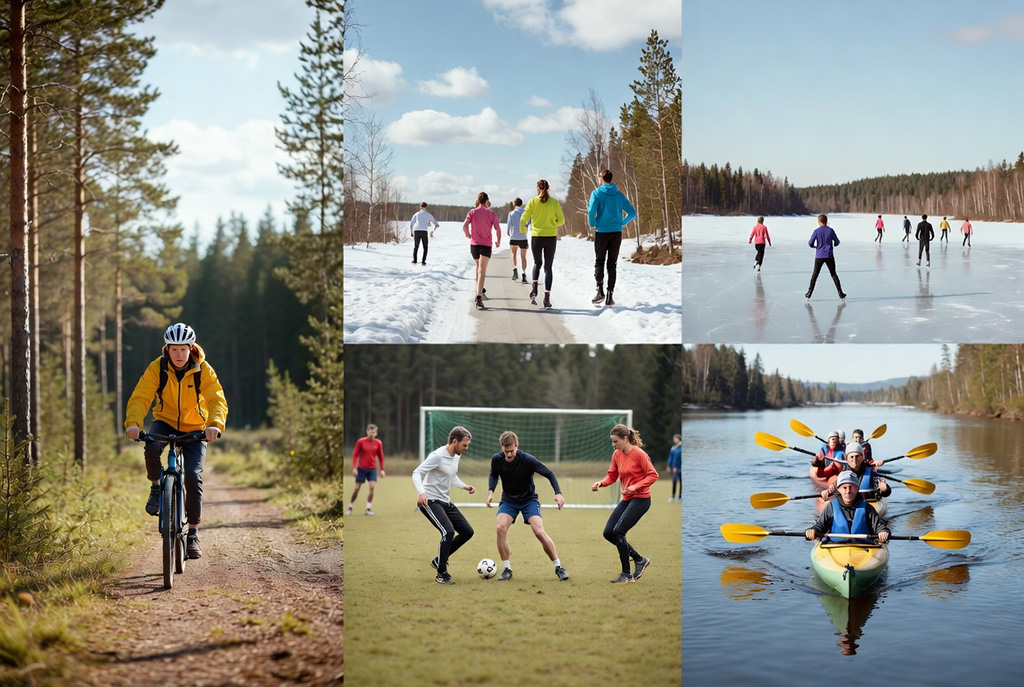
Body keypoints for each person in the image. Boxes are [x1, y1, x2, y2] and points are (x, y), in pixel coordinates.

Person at [125, 322, 227, 560]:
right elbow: (141, 396)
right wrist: (133, 423)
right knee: (151, 447)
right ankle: (156, 487)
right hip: (165, 421)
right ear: (167, 349)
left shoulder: (203, 369)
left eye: (183, 349)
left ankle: (193, 533)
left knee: (192, 476)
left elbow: (216, 399)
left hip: (196, 428)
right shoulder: (157, 368)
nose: (179, 354)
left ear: (191, 348)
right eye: (174, 349)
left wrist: (214, 425)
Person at [485, 431, 569, 581]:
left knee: (538, 531)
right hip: (508, 500)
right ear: (501, 448)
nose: (509, 455)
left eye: (511, 451)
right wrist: (491, 492)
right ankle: (507, 569)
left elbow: (549, 474)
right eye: (506, 451)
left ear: (517, 446)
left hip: (529, 500)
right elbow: (493, 474)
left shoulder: (527, 460)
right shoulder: (497, 459)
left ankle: (558, 567)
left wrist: (558, 493)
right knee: (500, 528)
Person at [591, 424, 659, 583]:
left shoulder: (639, 454)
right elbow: (612, 476)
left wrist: (635, 486)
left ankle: (626, 575)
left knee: (618, 532)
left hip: (641, 500)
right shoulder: (617, 455)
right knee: (608, 532)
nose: (613, 445)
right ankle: (639, 559)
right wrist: (601, 483)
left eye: (615, 441)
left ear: (625, 439)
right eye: (612, 442)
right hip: (627, 500)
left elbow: (653, 475)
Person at [412, 426, 477, 584]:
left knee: (467, 532)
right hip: (430, 501)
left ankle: (439, 560)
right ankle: (441, 573)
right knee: (448, 531)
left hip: (445, 502)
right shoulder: (437, 456)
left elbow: (451, 476)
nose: (466, 448)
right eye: (464, 445)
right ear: (455, 441)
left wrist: (464, 486)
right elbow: (417, 473)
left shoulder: (456, 455)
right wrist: (422, 493)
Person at [587, 169, 637, 306]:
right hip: (616, 232)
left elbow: (591, 210)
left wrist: (593, 223)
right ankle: (609, 296)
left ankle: (600, 291)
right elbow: (632, 213)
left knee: (599, 262)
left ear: (601, 178)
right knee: (612, 264)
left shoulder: (596, 193)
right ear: (611, 178)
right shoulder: (619, 195)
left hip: (601, 232)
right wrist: (622, 222)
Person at [804, 471, 891, 543]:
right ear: (838, 489)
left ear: (857, 489)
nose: (848, 491)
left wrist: (883, 532)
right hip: (836, 548)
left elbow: (879, 526)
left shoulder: (868, 508)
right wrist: (812, 530)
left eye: (851, 487)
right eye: (844, 487)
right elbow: (820, 525)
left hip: (863, 549)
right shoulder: (831, 507)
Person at [521, 179, 566, 309]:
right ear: (548, 188)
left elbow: (524, 218)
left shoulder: (532, 202)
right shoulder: (555, 203)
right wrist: (552, 224)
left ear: (537, 188)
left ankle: (534, 288)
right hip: (550, 237)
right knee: (548, 267)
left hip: (536, 236)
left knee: (537, 263)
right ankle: (547, 299)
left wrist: (524, 228)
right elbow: (562, 220)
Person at [817, 442, 892, 505]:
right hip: (850, 505)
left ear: (862, 457)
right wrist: (827, 491)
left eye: (857, 456)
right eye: (851, 457)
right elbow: (834, 487)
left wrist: (884, 489)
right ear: (846, 459)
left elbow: (886, 492)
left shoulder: (871, 472)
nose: (854, 460)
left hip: (868, 504)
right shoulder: (844, 474)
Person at [463, 192, 502, 310]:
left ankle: (478, 291)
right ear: (486, 201)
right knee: (481, 270)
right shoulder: (491, 213)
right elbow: (498, 229)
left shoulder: (472, 212)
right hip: (485, 245)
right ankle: (479, 298)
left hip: (474, 245)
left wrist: (468, 235)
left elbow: (464, 226)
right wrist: (498, 241)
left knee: (478, 268)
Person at [805, 214, 846, 301]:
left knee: (815, 275)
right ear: (826, 221)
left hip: (819, 256)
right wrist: (833, 245)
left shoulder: (816, 231)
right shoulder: (830, 230)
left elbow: (810, 243)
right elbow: (837, 241)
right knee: (833, 274)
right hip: (829, 255)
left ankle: (809, 292)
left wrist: (816, 247)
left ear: (819, 222)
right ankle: (840, 293)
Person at [347, 423, 385, 516]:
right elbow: (355, 454)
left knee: (372, 487)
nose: (372, 434)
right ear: (367, 431)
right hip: (361, 468)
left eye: (374, 433)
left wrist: (382, 469)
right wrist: (354, 468)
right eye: (370, 432)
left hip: (372, 469)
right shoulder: (361, 441)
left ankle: (368, 508)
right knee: (357, 488)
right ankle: (350, 506)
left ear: (376, 433)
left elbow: (380, 456)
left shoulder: (378, 443)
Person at [507, 198, 528, 283]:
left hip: (514, 237)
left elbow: (509, 225)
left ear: (514, 204)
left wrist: (509, 233)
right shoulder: (525, 213)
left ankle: (515, 270)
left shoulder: (511, 213)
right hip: (523, 237)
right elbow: (528, 223)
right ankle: (523, 274)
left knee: (513, 254)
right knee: (523, 257)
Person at [667, 433, 682, 502]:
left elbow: (679, 459)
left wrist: (677, 466)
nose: (674, 440)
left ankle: (680, 496)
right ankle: (673, 496)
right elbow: (671, 457)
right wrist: (669, 465)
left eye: (676, 439)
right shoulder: (673, 448)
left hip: (679, 467)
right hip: (673, 467)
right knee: (674, 481)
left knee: (681, 482)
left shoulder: (681, 448)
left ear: (679, 439)